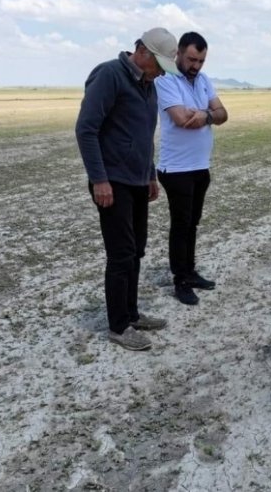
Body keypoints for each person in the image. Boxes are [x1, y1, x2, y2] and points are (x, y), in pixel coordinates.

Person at [75, 27, 178, 351]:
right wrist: (99, 179)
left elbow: (145, 135)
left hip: (136, 181)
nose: (161, 71)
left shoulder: (149, 85)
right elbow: (87, 129)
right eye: (159, 63)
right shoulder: (110, 75)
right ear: (143, 52)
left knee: (137, 250)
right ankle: (118, 326)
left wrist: (150, 175)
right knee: (120, 254)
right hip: (113, 182)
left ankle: (132, 313)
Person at [154, 32, 228, 305]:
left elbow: (223, 114)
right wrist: (208, 115)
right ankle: (180, 280)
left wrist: (205, 115)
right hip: (176, 169)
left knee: (192, 224)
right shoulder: (166, 81)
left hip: (200, 166)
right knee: (181, 224)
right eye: (191, 59)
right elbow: (182, 118)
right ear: (178, 54)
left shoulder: (204, 81)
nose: (196, 65)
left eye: (201, 60)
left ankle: (190, 270)